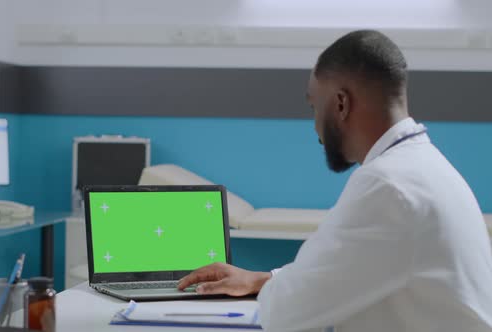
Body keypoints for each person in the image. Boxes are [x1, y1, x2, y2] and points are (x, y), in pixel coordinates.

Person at [177, 30, 492, 332]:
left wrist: (276, 292)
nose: (315, 127)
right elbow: (352, 269)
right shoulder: (424, 166)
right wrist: (263, 279)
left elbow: (288, 313)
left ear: (341, 104)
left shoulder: (388, 186)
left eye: (315, 107)